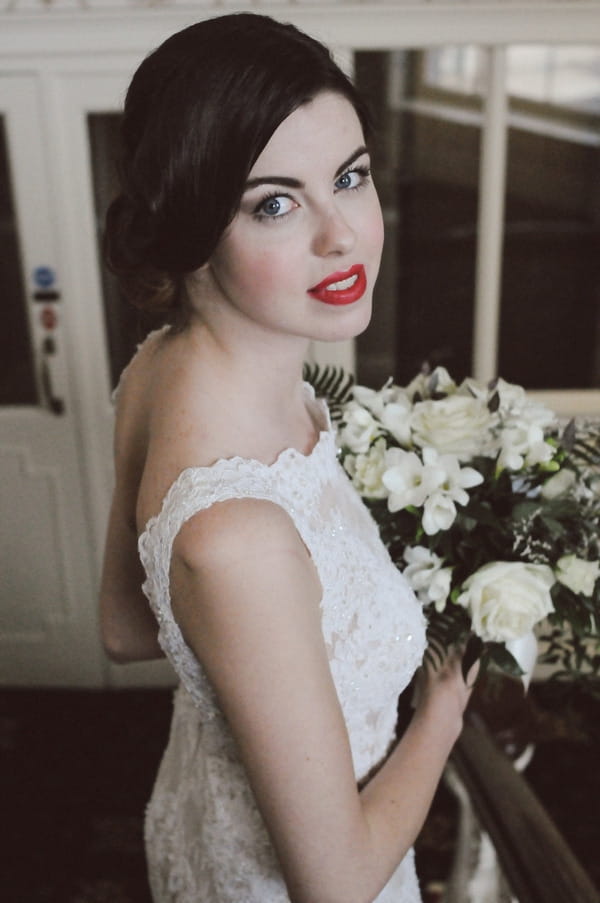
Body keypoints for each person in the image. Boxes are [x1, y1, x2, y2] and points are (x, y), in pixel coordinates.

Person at [99, 13, 476, 903]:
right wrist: (444, 711)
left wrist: (271, 649)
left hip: (200, 819)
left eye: (349, 177)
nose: (341, 235)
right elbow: (337, 882)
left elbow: (123, 624)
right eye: (275, 202)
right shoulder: (239, 539)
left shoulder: (160, 364)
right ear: (191, 226)